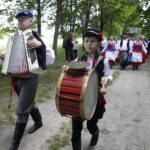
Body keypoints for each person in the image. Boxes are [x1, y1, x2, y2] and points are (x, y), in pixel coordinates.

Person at [1, 9, 54, 150]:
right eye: (18, 20)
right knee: (28, 102)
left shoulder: (36, 36)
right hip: (18, 79)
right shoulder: (14, 38)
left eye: (23, 19)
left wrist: (40, 45)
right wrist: (4, 57)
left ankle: (15, 144)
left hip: (31, 78)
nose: (20, 22)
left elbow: (51, 58)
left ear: (30, 20)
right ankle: (39, 122)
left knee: (21, 110)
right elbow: (14, 59)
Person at [71, 28, 112, 150]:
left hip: (95, 98)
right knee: (75, 130)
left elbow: (109, 75)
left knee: (91, 124)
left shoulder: (103, 60)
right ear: (83, 42)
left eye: (93, 41)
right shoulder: (78, 59)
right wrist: (66, 68)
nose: (89, 44)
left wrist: (106, 80)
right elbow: (70, 73)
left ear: (99, 44)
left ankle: (95, 133)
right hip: (78, 98)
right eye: (87, 41)